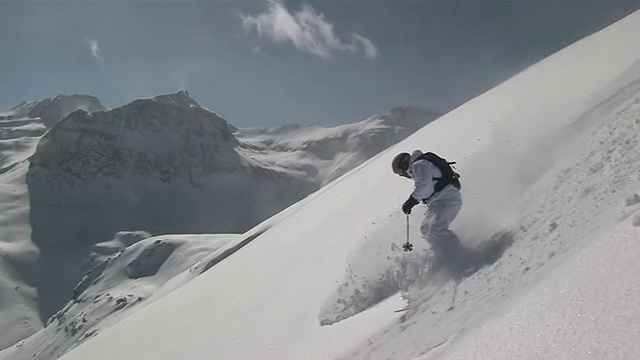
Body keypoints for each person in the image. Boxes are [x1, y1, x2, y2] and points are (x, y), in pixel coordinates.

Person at [392, 150, 463, 261]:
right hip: (437, 202)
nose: (403, 176)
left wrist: (410, 201)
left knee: (436, 229)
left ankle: (458, 254)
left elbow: (425, 187)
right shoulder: (420, 165)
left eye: (400, 173)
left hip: (447, 199)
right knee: (426, 228)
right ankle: (443, 252)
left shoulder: (418, 165)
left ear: (403, 165)